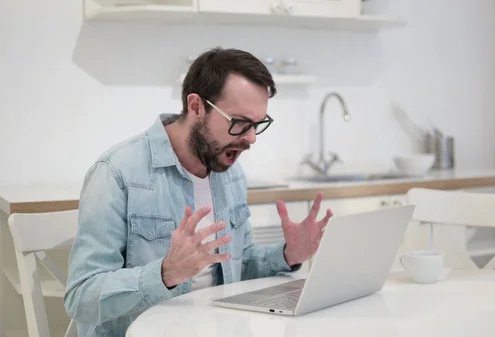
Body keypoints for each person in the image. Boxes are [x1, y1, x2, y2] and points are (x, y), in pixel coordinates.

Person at [64, 47, 333, 337]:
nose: (251, 138)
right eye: (240, 123)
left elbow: (239, 267)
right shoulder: (117, 173)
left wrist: (288, 254)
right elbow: (81, 299)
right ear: (196, 107)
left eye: (258, 124)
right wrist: (165, 273)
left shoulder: (229, 173)